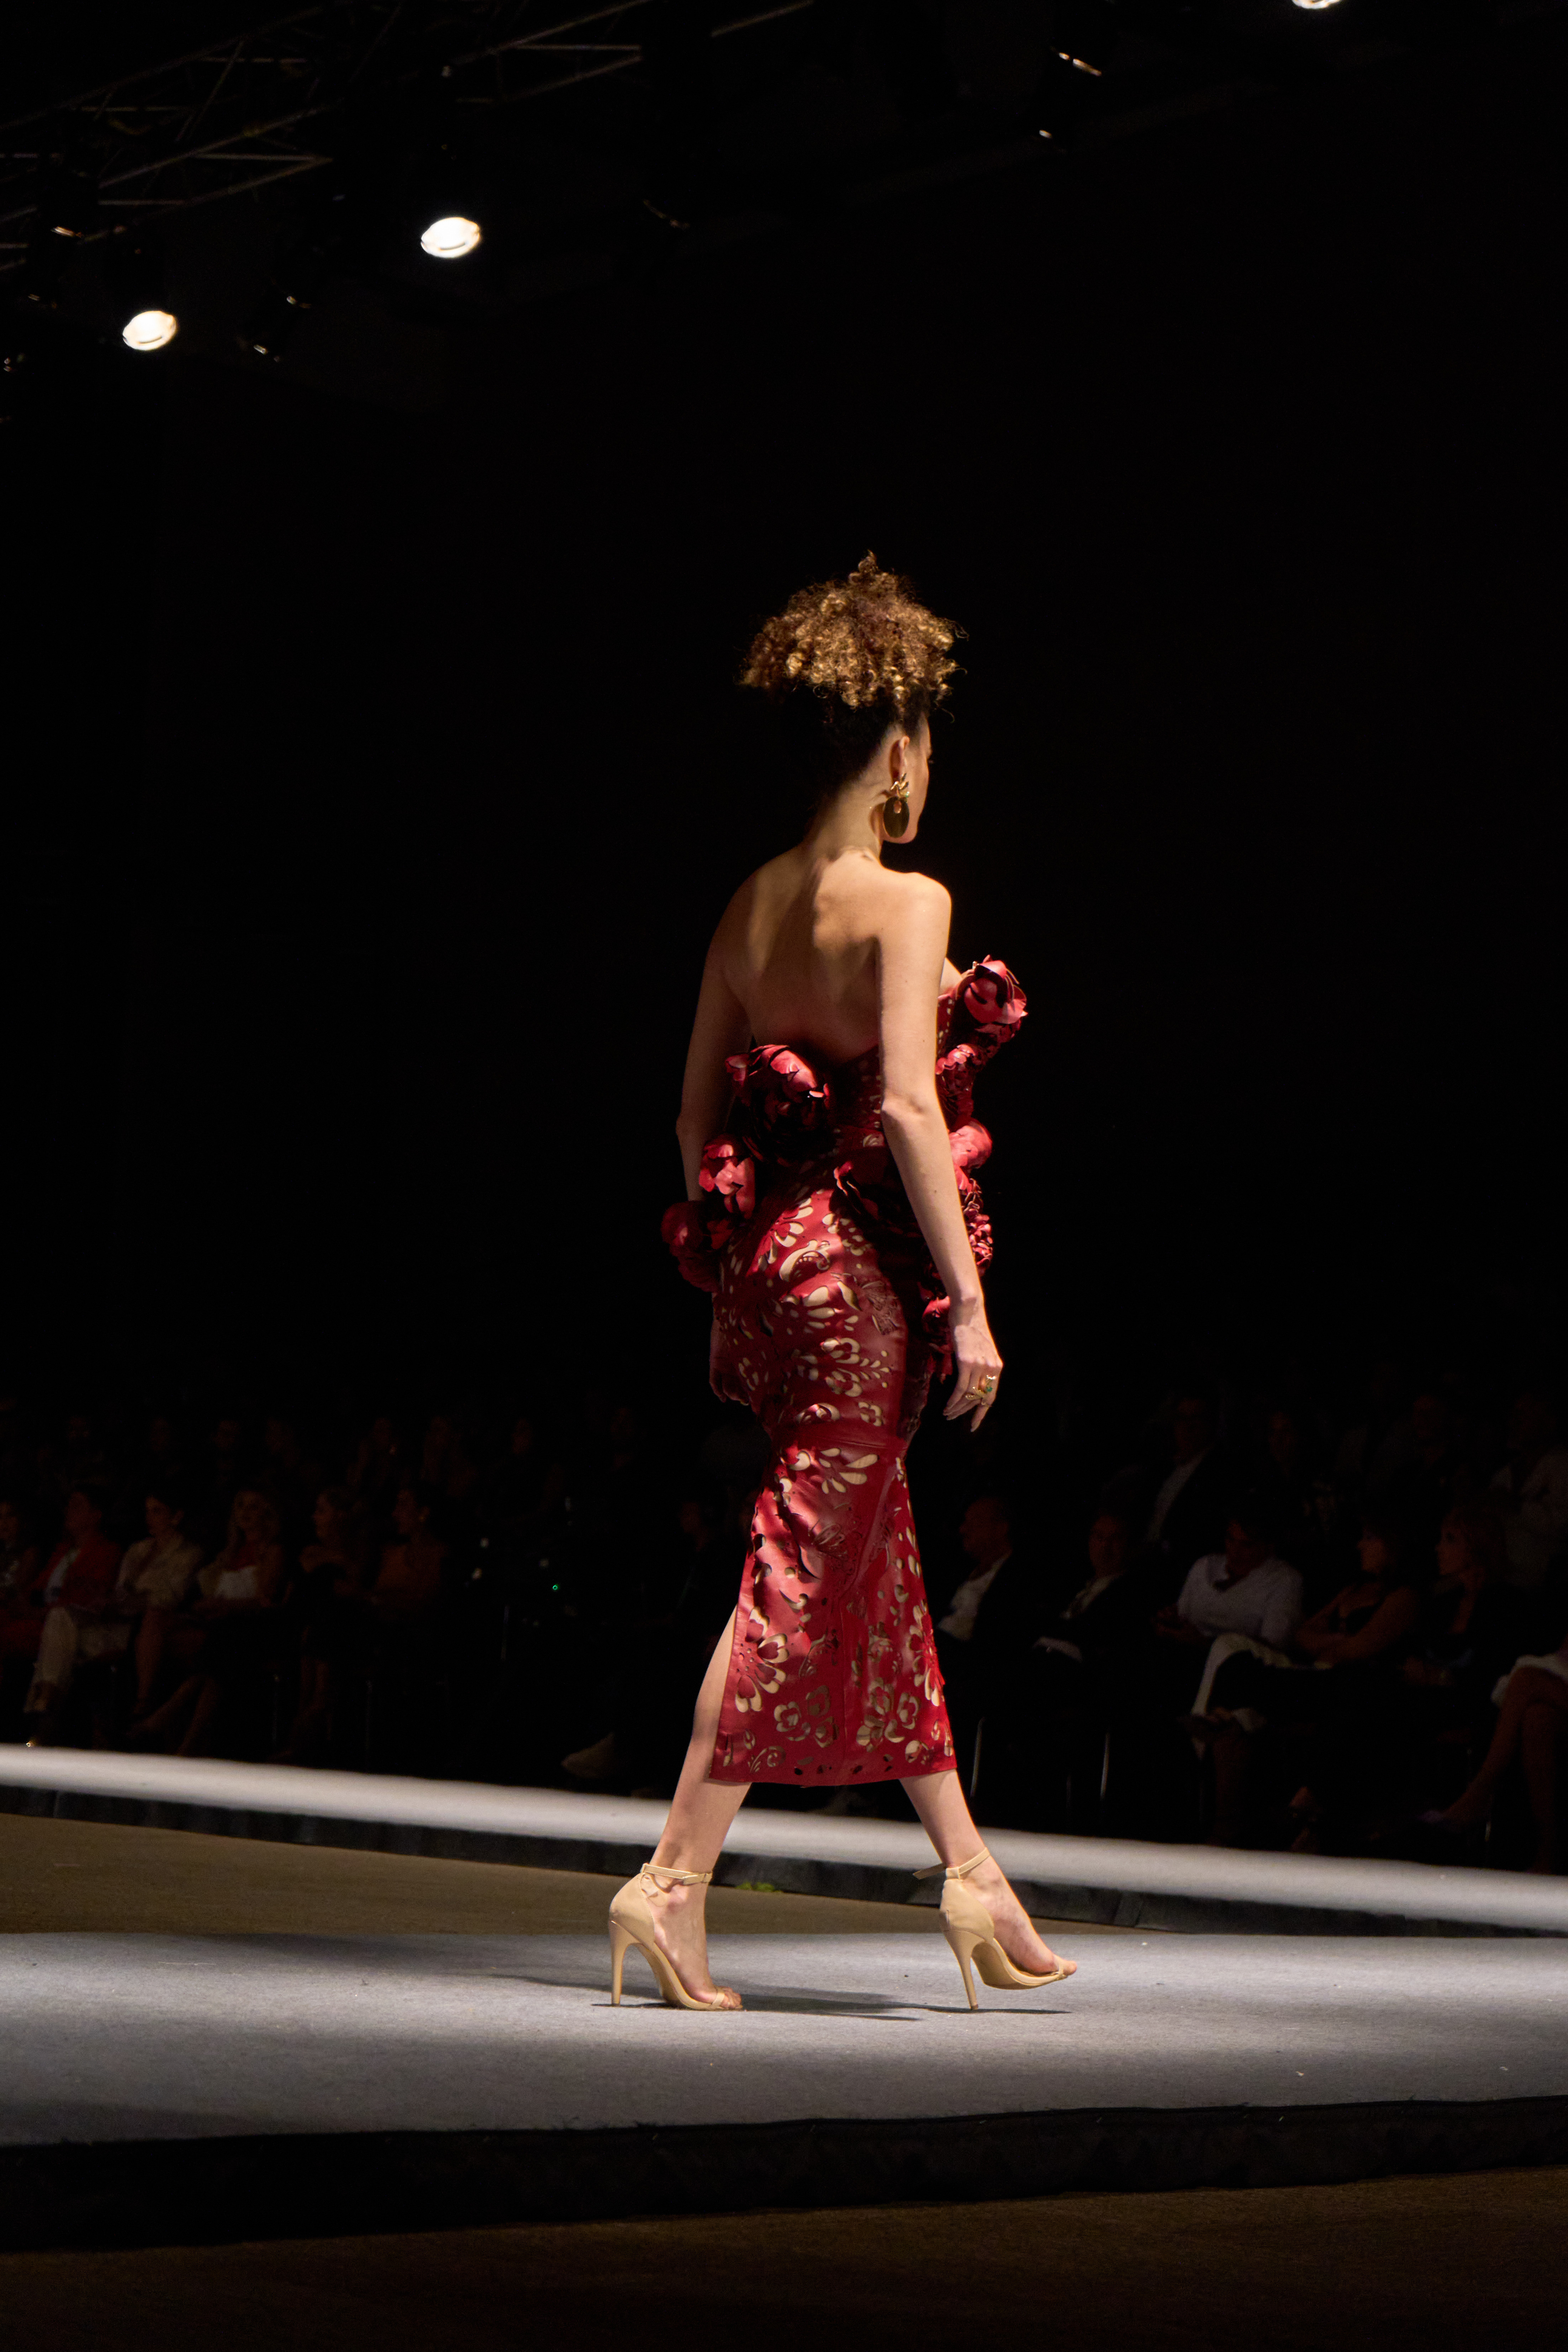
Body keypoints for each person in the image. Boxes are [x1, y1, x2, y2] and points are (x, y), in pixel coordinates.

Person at [644, 556, 1074, 2011]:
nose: (928, 768)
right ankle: (671, 1878)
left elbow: (690, 1119)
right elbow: (899, 1108)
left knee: (864, 1558)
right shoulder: (906, 900)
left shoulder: (746, 905)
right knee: (799, 1569)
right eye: (927, 743)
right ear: (895, 748)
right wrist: (971, 1302)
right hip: (854, 1282)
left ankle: (973, 1875)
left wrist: (734, 1273)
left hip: (771, 1267)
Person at [24, 1485, 202, 1743]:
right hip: (117, 1623)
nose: (150, 1518)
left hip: (144, 1630)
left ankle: (45, 1711)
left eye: (158, 1511)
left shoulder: (189, 1553)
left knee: (62, 1641)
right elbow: (120, 1591)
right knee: (60, 1618)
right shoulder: (138, 1550)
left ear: (176, 1516)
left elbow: (170, 1598)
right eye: (147, 1511)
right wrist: (108, 1601)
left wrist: (127, 1600)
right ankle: (48, 1706)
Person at [133, 1487, 286, 1756]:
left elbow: (264, 1602)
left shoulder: (272, 1551)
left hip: (248, 1627)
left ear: (267, 1512)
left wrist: (225, 1607)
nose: (245, 1513)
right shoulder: (230, 1552)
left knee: (216, 1650)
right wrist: (206, 1606)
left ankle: (166, 1722)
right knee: (156, 1625)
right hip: (218, 1623)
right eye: (241, 1506)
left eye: (253, 1506)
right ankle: (153, 1710)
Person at [1488, 1389, 1568, 1595]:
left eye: (1524, 1415)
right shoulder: (1505, 1474)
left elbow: (1562, 1527)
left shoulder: (1563, 1467)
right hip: (1497, 1579)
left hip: (1543, 1587)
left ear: (1549, 1421)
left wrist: (1516, 1507)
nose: (1513, 1423)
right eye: (1513, 1416)